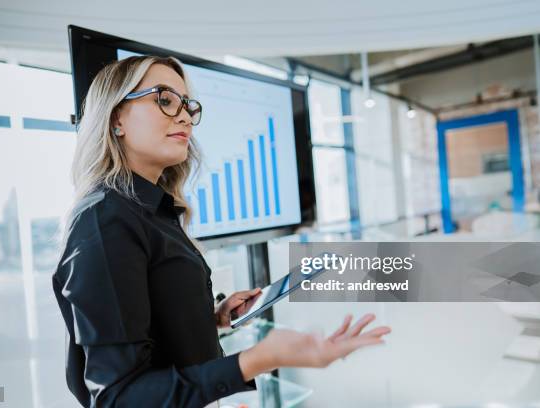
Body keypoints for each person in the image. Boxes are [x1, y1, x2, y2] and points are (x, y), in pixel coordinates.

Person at [51, 55, 391, 408]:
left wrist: (208, 317)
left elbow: (143, 327)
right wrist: (258, 358)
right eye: (164, 100)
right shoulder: (105, 220)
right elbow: (119, 397)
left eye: (187, 105)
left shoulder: (151, 211)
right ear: (116, 117)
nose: (184, 116)